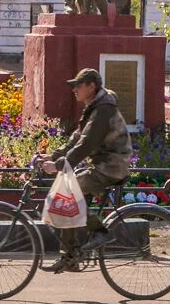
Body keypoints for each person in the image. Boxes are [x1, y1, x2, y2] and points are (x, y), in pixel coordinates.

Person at [37, 67, 133, 273]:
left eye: (78, 85)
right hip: (101, 164)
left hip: (111, 166)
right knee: (67, 201)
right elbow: (77, 138)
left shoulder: (104, 109)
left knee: (66, 194)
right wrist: (54, 156)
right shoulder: (94, 106)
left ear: (91, 86)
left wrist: (60, 165)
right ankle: (71, 256)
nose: (74, 90)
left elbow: (87, 144)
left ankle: (101, 232)